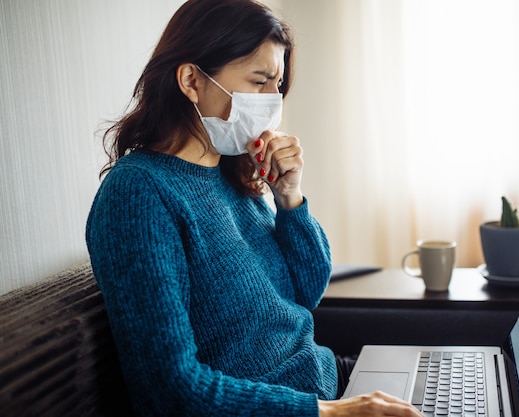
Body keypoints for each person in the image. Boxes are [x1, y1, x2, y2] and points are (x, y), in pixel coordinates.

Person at [86, 0, 420, 416]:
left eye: (277, 86)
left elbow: (307, 291)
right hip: (302, 407)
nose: (272, 101)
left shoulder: (235, 173)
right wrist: (331, 413)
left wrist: (289, 200)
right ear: (191, 80)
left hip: (327, 381)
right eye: (260, 81)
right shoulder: (139, 193)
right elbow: (170, 388)